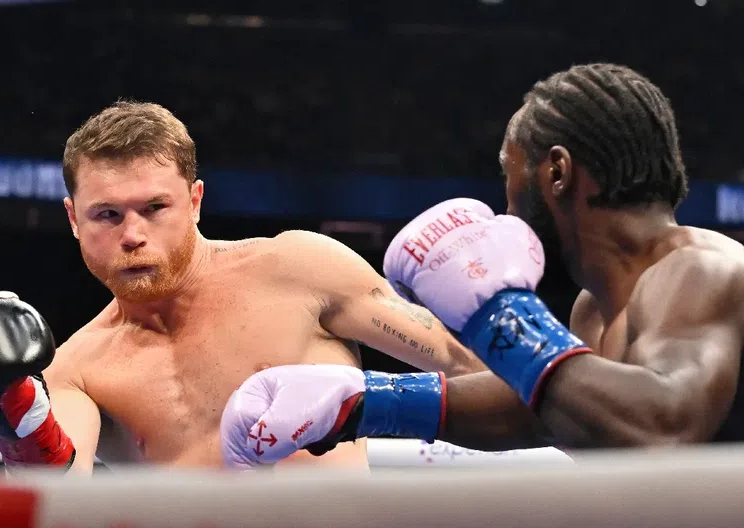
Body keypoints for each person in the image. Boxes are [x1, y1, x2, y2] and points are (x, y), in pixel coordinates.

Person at [220, 63, 744, 468]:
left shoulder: (702, 270)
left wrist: (505, 317)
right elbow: (555, 409)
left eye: (510, 177)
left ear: (556, 173)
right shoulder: (594, 307)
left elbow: (661, 426)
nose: (508, 208)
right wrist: (367, 401)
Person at [0, 101, 484, 474]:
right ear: (73, 219)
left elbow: (465, 365)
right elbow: (56, 493)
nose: (132, 235)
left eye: (155, 208)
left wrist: (491, 314)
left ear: (195, 201)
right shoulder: (77, 369)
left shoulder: (298, 270)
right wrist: (12, 417)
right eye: (107, 214)